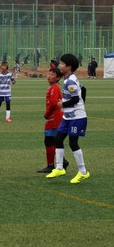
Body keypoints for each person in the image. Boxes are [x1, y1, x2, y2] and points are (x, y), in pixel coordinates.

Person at [46, 54, 90, 184]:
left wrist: (63, 105)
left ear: (68, 67)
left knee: (73, 143)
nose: (59, 66)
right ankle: (59, 167)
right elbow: (83, 89)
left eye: (62, 64)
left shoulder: (70, 81)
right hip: (68, 117)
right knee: (58, 139)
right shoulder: (68, 79)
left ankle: (83, 172)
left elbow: (76, 98)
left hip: (77, 118)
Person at [38, 68, 69, 173]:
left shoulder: (55, 88)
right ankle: (61, 162)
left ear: (58, 77)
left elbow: (53, 103)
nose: (49, 76)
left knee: (50, 141)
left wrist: (46, 114)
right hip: (54, 118)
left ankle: (52, 165)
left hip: (55, 118)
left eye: (52, 74)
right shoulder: (53, 87)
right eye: (49, 73)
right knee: (52, 141)